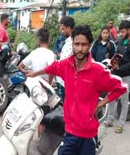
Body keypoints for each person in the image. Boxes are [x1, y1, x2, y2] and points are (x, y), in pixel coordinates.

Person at [27, 25, 126, 155]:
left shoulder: (98, 71)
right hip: (69, 132)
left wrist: (100, 104)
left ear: (89, 45)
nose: (79, 49)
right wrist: (34, 74)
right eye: (77, 44)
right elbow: (52, 68)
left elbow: (121, 87)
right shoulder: (65, 65)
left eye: (84, 45)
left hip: (87, 135)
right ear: (72, 44)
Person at [105, 20, 130, 133]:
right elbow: (115, 55)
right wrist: (111, 61)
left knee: (124, 101)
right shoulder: (119, 41)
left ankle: (120, 124)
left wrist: (121, 68)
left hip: (126, 75)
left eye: (123, 31)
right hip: (115, 74)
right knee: (111, 97)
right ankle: (110, 120)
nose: (121, 34)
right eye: (120, 31)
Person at [56, 16, 75, 99]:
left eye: (63, 29)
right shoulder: (67, 41)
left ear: (69, 28)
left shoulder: (74, 43)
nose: (61, 31)